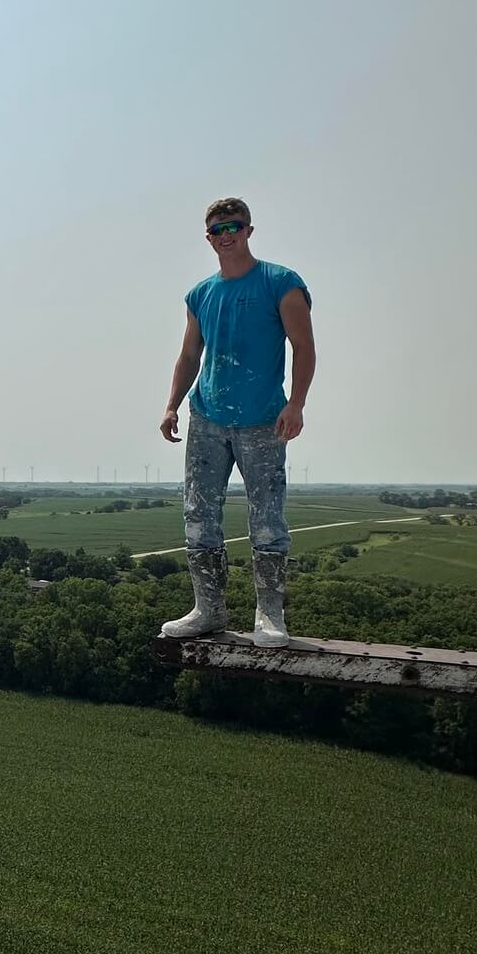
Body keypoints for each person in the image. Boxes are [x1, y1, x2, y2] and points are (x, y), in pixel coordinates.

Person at [158, 196, 314, 647]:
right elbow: (190, 355)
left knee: (267, 520)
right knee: (199, 515)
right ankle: (208, 610)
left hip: (263, 419)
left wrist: (297, 403)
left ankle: (269, 616)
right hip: (207, 417)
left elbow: (303, 346)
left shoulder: (280, 283)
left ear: (249, 230)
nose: (226, 236)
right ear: (208, 238)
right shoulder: (201, 294)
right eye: (217, 230)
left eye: (234, 226)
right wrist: (171, 404)